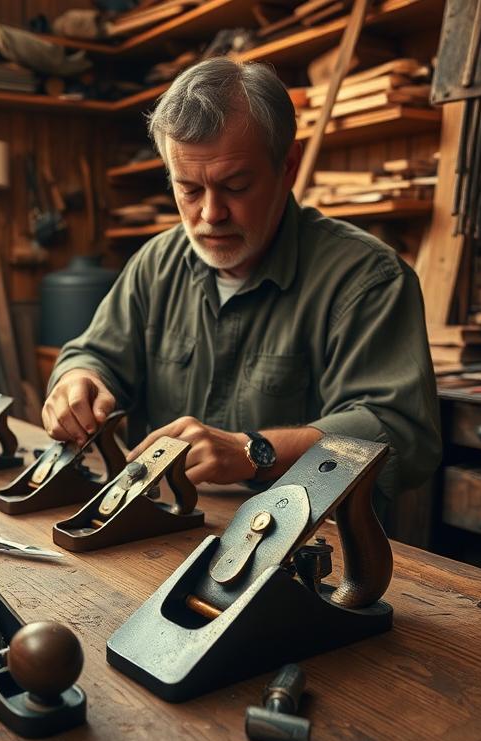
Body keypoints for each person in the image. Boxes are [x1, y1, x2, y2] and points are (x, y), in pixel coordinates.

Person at [43, 57, 441, 516]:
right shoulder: (156, 262)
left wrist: (252, 452)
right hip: (164, 531)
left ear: (287, 166)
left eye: (235, 186)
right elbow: (94, 355)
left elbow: (399, 433)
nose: (211, 214)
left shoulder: (368, 278)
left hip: (306, 549)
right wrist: (79, 381)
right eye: (189, 189)